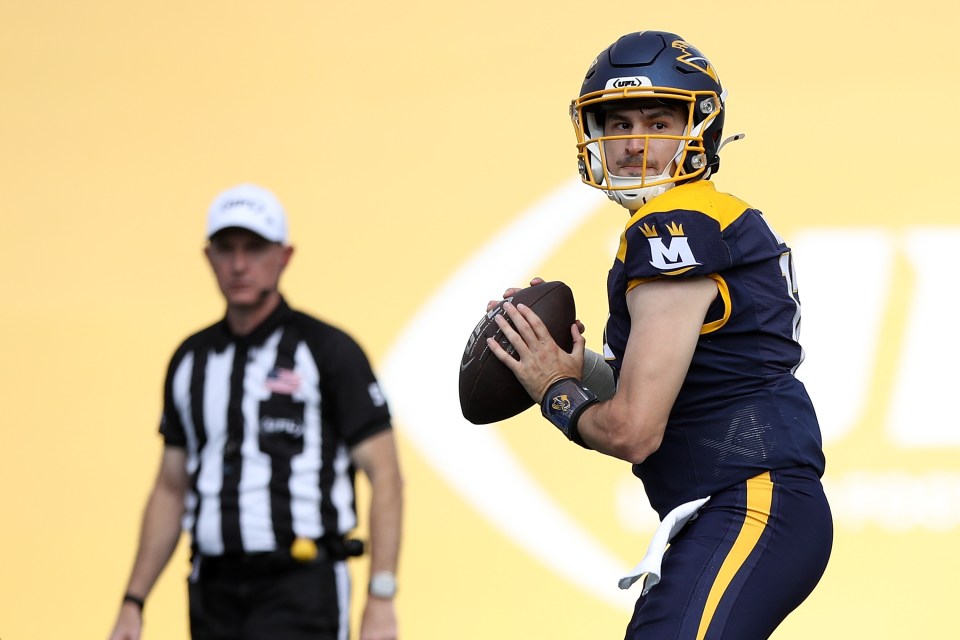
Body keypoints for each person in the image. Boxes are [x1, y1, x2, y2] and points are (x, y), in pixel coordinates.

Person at [486, 31, 832, 639]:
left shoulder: (673, 223)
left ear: (700, 127)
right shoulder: (703, 216)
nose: (635, 141)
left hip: (748, 503)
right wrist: (568, 362)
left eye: (657, 119)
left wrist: (555, 393)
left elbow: (633, 430)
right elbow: (691, 381)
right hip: (741, 506)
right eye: (617, 123)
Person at [108, 183, 403, 640]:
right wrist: (134, 600)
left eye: (254, 248)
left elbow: (385, 475)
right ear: (208, 257)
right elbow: (170, 488)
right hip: (213, 590)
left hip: (301, 584)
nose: (239, 264)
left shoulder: (327, 350)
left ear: (284, 256)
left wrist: (381, 597)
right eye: (226, 249)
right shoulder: (191, 360)